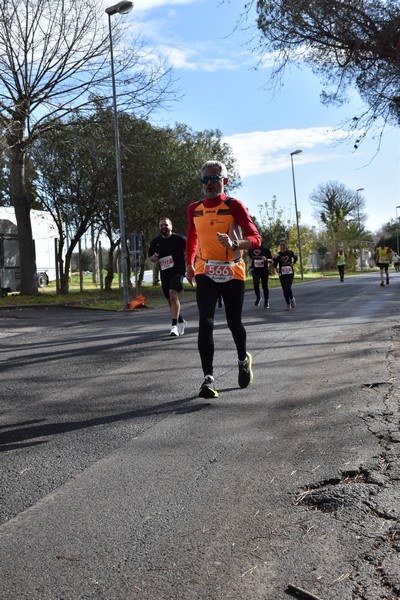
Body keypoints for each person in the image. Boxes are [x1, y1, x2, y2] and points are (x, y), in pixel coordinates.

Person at [186, 160, 261, 399]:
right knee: (205, 322)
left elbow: (256, 239)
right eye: (205, 180)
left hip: (232, 271)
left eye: (213, 179)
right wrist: (189, 264)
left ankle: (242, 358)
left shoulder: (233, 205)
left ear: (224, 181)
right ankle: (208, 379)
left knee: (233, 323)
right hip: (205, 270)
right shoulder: (194, 208)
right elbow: (192, 236)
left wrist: (235, 244)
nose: (209, 184)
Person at [148, 217, 187, 336]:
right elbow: (151, 257)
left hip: (178, 271)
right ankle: (181, 321)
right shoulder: (155, 242)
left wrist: (188, 259)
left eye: (166, 225)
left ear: (171, 226)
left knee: (173, 294)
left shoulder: (180, 239)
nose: (164, 227)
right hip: (165, 273)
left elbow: (191, 250)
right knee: (170, 300)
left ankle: (174, 326)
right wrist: (153, 258)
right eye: (161, 225)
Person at [273, 239, 297, 310]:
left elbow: (296, 257)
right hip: (282, 274)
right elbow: (274, 265)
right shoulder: (278, 254)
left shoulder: (290, 252)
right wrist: (275, 258)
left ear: (286, 245)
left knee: (288, 287)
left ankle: (292, 299)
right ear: (279, 246)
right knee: (284, 289)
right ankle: (288, 304)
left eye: (284, 244)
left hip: (290, 273)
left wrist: (293, 263)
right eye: (281, 245)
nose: (282, 246)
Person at [247, 243, 272, 307]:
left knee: (265, 286)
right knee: (256, 284)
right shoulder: (251, 249)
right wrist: (249, 267)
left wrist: (266, 259)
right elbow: (250, 258)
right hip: (255, 270)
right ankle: (258, 297)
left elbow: (271, 260)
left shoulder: (265, 249)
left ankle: (266, 302)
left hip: (264, 270)